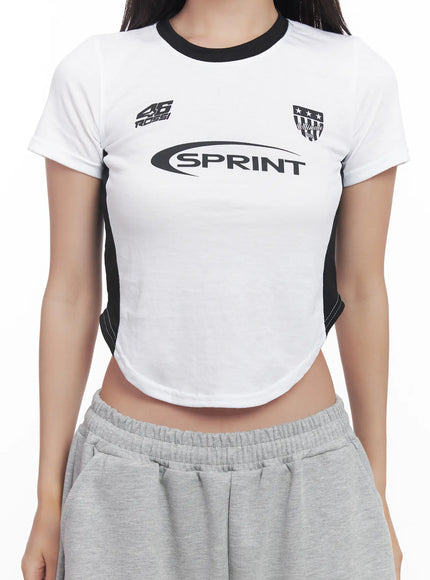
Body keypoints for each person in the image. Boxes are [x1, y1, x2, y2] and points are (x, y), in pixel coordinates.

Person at [22, 1, 410, 578]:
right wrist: (48, 501)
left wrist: (375, 492)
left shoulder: (354, 74)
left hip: (312, 478)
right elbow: (71, 293)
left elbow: (364, 291)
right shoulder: (97, 72)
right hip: (130, 480)